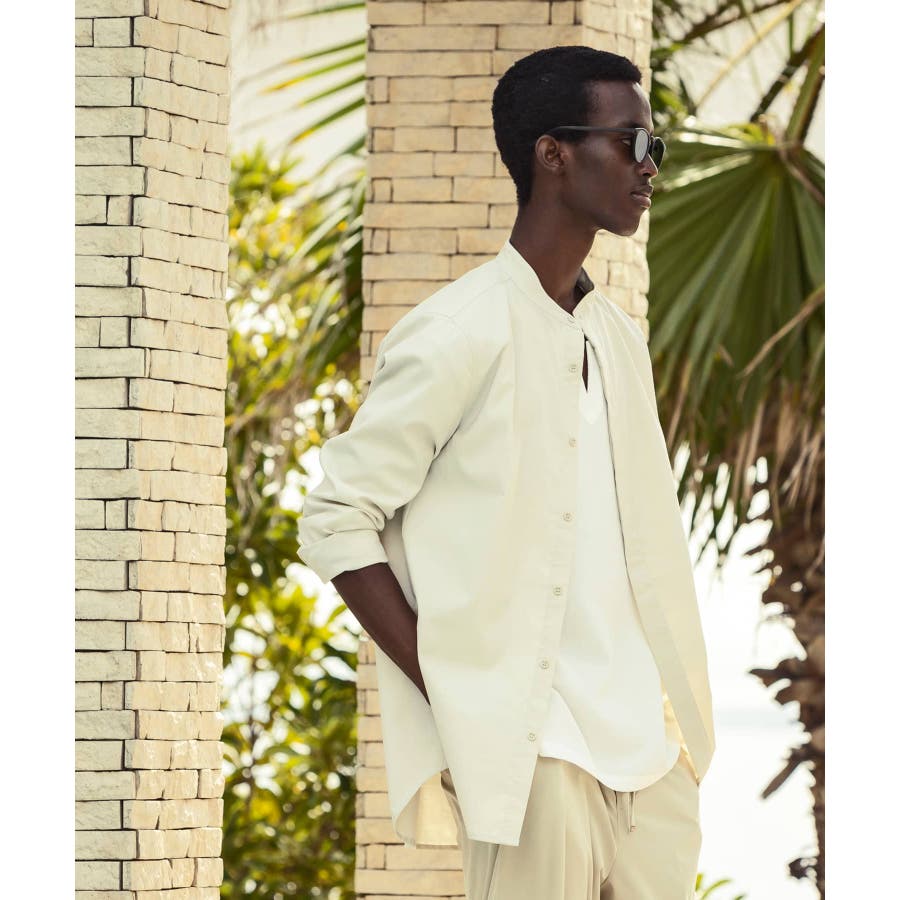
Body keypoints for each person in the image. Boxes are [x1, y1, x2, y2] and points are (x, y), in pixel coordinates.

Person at [297, 45, 715, 899]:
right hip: (538, 757)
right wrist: (458, 689)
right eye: (632, 143)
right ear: (553, 153)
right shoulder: (458, 331)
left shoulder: (616, 339)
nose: (650, 168)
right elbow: (336, 517)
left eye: (656, 147)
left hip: (649, 759)